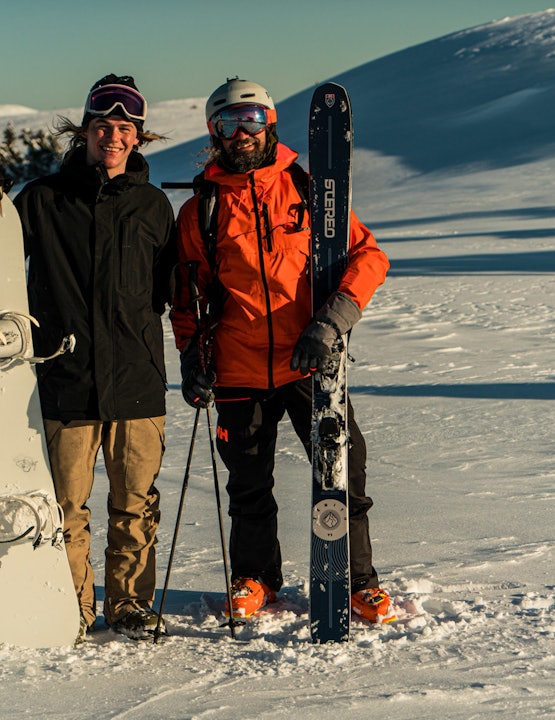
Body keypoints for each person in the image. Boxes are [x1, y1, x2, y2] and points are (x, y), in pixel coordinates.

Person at [169, 78, 394, 624]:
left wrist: (332, 322)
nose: (241, 133)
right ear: (213, 133)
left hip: (310, 365)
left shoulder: (309, 189)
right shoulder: (201, 209)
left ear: (269, 124)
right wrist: (192, 356)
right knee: (248, 484)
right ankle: (256, 579)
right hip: (238, 368)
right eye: (228, 123)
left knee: (343, 473)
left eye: (251, 120)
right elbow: (187, 296)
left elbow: (369, 257)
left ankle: (356, 580)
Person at [14, 74, 177, 640]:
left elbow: (167, 292)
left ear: (138, 138)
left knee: (135, 504)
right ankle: (72, 606)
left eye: (124, 128)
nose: (112, 135)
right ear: (83, 132)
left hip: (137, 382)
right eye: (102, 126)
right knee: (65, 508)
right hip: (66, 379)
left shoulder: (154, 207)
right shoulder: (41, 200)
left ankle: (128, 604)